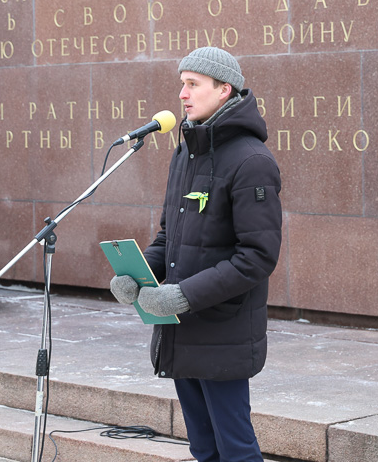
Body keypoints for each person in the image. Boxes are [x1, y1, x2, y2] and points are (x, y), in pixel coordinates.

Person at [109, 47, 282, 462]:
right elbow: (172, 234)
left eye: (193, 84)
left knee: (235, 449)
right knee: (204, 447)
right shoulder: (186, 151)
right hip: (180, 330)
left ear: (224, 90)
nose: (183, 94)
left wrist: (182, 295)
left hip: (223, 330)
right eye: (181, 84)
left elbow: (257, 257)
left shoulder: (252, 161)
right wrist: (139, 269)